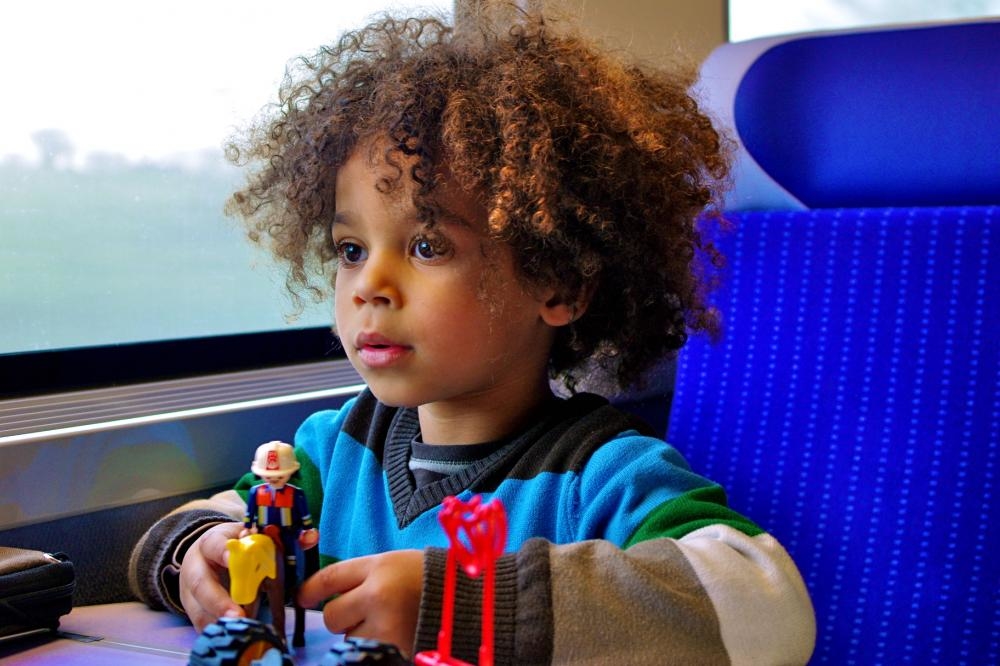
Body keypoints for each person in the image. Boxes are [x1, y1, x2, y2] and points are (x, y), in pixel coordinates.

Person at [129, 6, 815, 664]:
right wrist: (197, 554)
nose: (369, 285)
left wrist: (468, 606)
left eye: (427, 247)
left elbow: (770, 610)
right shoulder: (331, 453)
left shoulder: (600, 478)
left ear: (558, 283)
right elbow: (190, 529)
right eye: (351, 250)